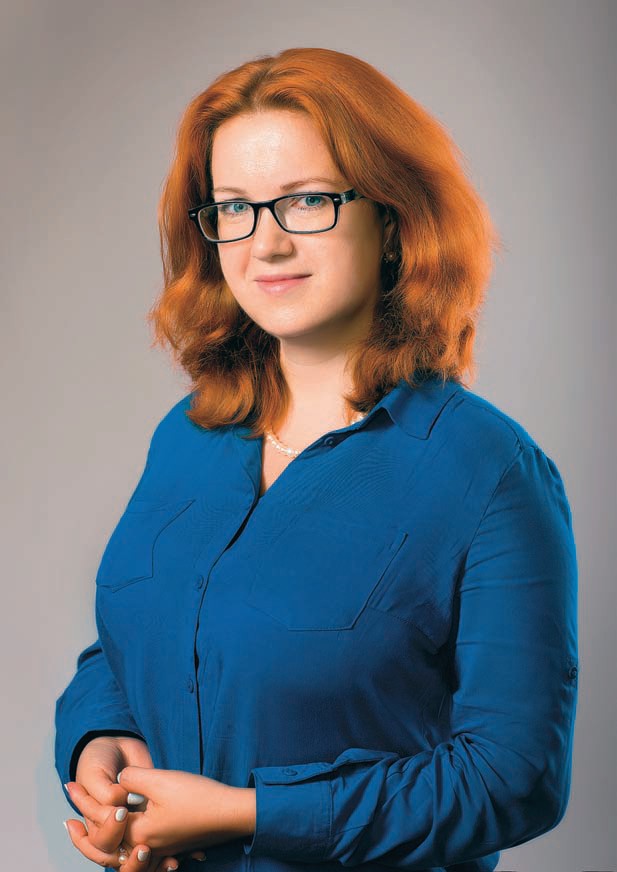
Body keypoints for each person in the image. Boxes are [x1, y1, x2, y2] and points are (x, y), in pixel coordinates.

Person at [54, 47, 579, 872]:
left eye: (305, 201)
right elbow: (145, 636)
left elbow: (513, 779)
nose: (264, 244)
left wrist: (249, 815)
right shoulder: (189, 435)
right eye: (234, 207)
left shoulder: (487, 471)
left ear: (393, 219)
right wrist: (100, 736)